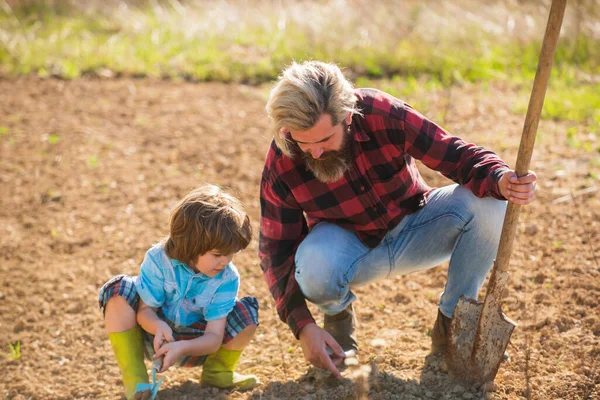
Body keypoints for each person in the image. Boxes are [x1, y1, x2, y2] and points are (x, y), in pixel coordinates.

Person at [259, 61, 537, 378]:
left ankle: (451, 324)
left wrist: (500, 178)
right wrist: (303, 327)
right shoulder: (283, 159)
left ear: (347, 116)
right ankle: (337, 320)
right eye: (303, 143)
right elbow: (275, 252)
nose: (315, 153)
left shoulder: (381, 112)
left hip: (417, 226)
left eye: (324, 140)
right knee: (311, 265)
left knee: (490, 203)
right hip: (351, 250)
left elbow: (452, 153)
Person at [99, 184, 260, 399]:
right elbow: (145, 311)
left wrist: (182, 348)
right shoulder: (159, 260)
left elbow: (213, 337)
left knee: (247, 314)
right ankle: (136, 379)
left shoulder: (227, 278)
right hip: (153, 339)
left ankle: (217, 372)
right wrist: (157, 326)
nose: (225, 261)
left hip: (198, 345)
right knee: (119, 290)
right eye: (217, 254)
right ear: (192, 244)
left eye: (230, 254)